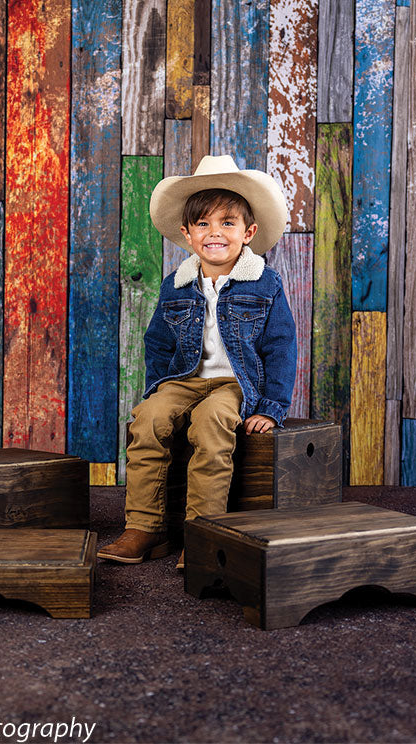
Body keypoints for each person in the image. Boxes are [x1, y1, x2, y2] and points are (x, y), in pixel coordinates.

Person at [98, 155, 297, 568]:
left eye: (227, 223)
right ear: (188, 235)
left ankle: (202, 532)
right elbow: (158, 343)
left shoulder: (264, 283)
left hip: (235, 383)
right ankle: (145, 527)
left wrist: (272, 408)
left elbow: (281, 346)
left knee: (210, 424)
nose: (215, 233)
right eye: (203, 224)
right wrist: (159, 391)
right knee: (147, 419)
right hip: (185, 379)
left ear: (249, 232)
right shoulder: (177, 284)